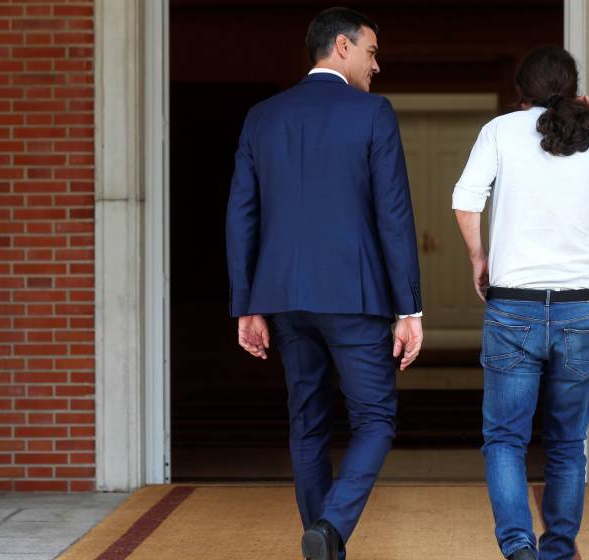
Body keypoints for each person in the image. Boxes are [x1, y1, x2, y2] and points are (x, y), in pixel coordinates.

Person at [224, 7, 424, 560]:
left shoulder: (262, 117)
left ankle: (323, 543)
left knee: (307, 420)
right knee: (377, 418)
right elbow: (394, 215)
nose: (376, 65)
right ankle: (331, 526)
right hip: (355, 298)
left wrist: (247, 305)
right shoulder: (373, 114)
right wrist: (410, 309)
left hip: (282, 297)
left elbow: (242, 215)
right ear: (341, 46)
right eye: (371, 52)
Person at [452, 45, 589, 560]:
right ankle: (558, 550)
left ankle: (518, 549)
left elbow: (466, 200)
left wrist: (478, 259)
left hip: (513, 305)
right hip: (580, 310)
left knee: (506, 439)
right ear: (574, 89)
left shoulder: (499, 132)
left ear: (522, 89)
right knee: (565, 442)